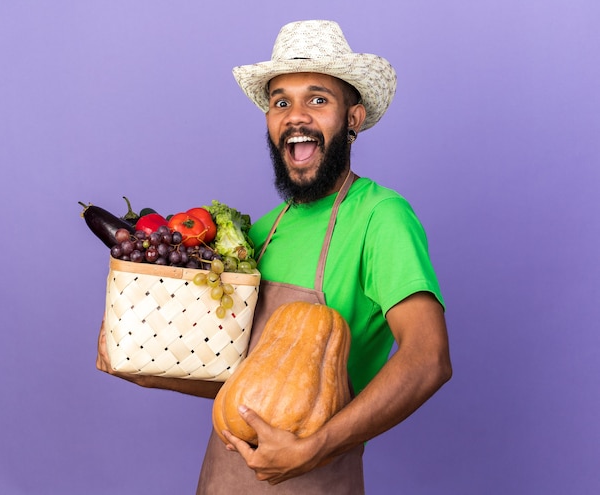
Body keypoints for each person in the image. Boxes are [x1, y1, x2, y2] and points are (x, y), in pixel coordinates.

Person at [97, 19, 452, 494]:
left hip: (315, 475)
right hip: (223, 477)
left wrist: (317, 446)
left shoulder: (380, 218)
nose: (295, 115)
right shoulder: (261, 234)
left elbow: (429, 358)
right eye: (280, 101)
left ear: (353, 118)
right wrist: (146, 368)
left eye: (318, 99)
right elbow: (238, 376)